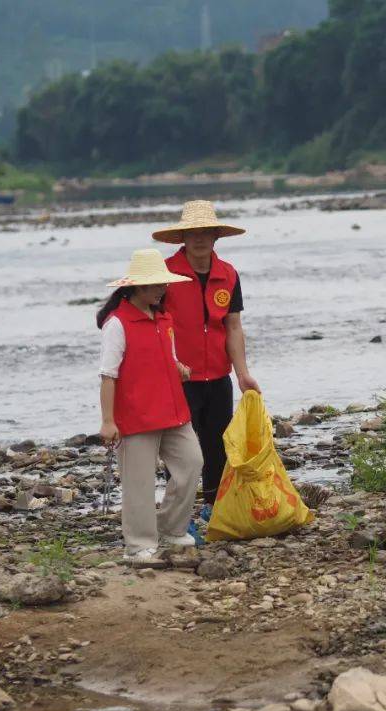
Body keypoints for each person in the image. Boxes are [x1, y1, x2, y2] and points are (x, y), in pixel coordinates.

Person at [154, 201, 261, 528]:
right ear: (183, 237)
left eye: (206, 233)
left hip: (218, 377)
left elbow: (233, 327)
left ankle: (213, 509)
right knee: (181, 449)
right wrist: (169, 362)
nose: (199, 239)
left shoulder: (228, 274)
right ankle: (177, 517)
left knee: (218, 447)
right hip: (178, 378)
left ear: (216, 236)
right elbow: (154, 324)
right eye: (193, 233)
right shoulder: (165, 273)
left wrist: (242, 374)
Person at [97, 248, 203, 566]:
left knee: (192, 463)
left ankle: (171, 529)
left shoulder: (164, 317)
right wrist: (107, 421)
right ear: (137, 287)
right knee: (139, 483)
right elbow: (108, 375)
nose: (163, 290)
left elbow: (165, 357)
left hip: (173, 410)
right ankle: (139, 545)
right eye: (157, 285)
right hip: (135, 415)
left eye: (164, 284)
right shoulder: (117, 324)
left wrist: (178, 367)